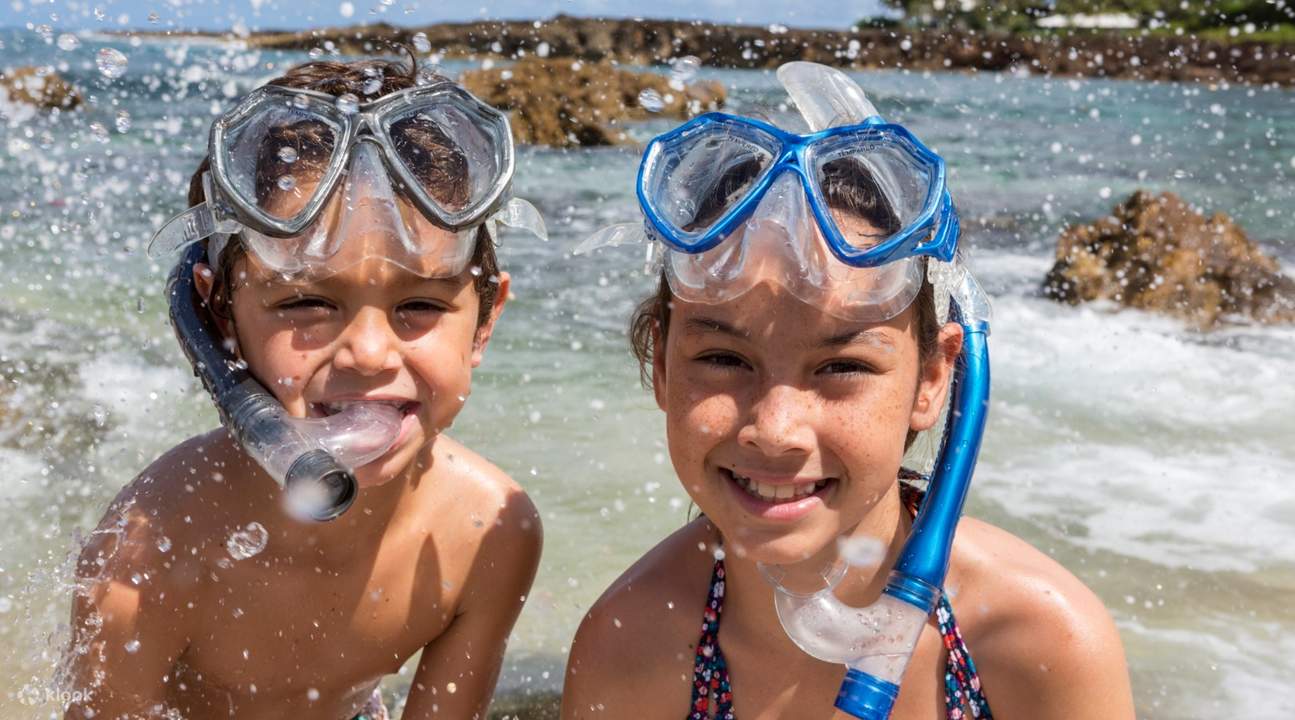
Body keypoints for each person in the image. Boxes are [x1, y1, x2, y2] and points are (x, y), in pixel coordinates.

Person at [562, 63, 1135, 719]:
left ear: (932, 379)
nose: (775, 429)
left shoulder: (1038, 642)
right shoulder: (632, 647)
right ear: (662, 367)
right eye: (723, 358)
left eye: (841, 368)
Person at [62, 56, 545, 720]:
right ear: (219, 318)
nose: (369, 354)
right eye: (305, 303)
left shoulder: (490, 531)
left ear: (484, 322)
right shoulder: (152, 549)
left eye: (420, 306)